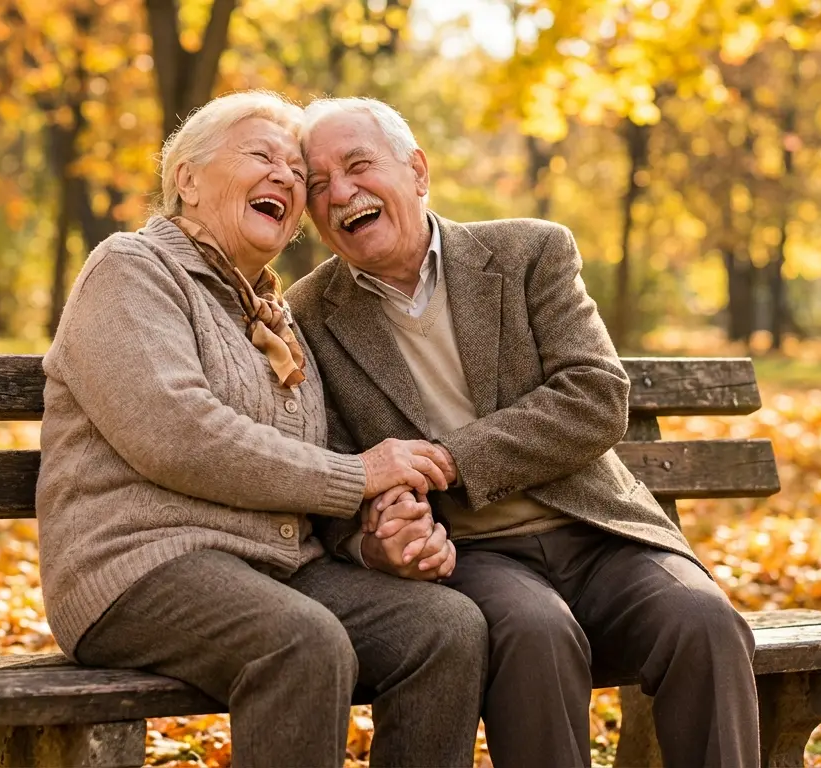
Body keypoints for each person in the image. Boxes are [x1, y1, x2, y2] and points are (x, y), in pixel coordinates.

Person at [285, 96, 761, 768]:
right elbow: (327, 466)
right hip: (475, 556)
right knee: (536, 633)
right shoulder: (305, 314)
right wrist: (375, 541)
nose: (341, 193)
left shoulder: (529, 251)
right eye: (317, 185)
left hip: (601, 536)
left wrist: (450, 459)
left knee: (705, 622)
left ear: (417, 171)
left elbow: (595, 398)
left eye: (359, 166)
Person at [36, 91, 488, 767]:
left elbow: (324, 453)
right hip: (140, 570)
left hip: (277, 568)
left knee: (447, 628)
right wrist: (360, 475)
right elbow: (177, 432)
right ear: (186, 178)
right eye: (260, 155)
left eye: (295, 172)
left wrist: (381, 534)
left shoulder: (277, 317)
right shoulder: (132, 269)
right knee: (302, 642)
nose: (286, 176)